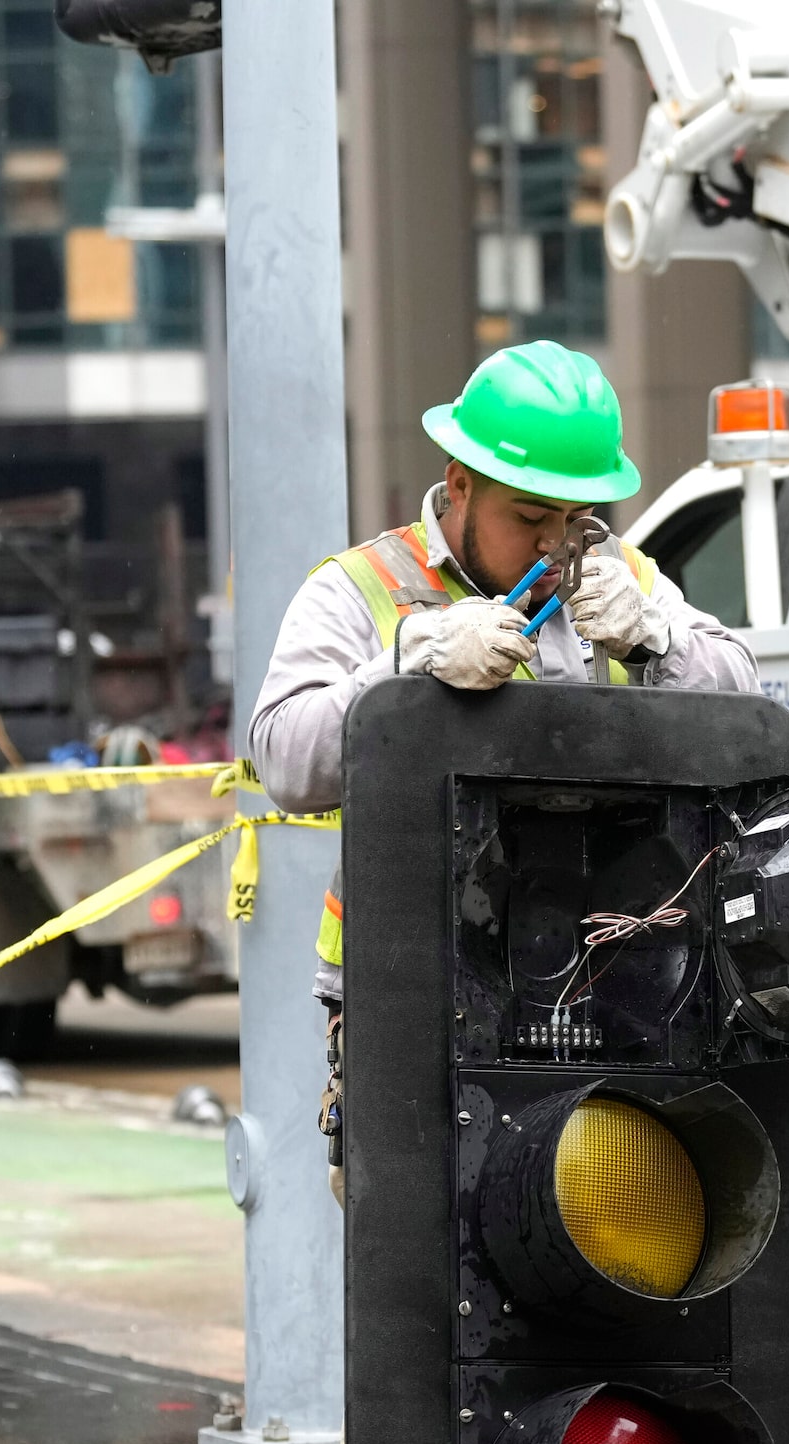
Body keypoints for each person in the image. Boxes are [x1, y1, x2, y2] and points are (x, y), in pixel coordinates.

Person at [249, 341, 759, 1198]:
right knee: (422, 1271)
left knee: (607, 1228)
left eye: (577, 518)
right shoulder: (359, 590)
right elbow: (286, 760)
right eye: (530, 518)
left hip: (609, 975)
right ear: (458, 484)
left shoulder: (623, 574)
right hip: (415, 977)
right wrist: (404, 666)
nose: (555, 544)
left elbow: (748, 706)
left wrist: (654, 639)